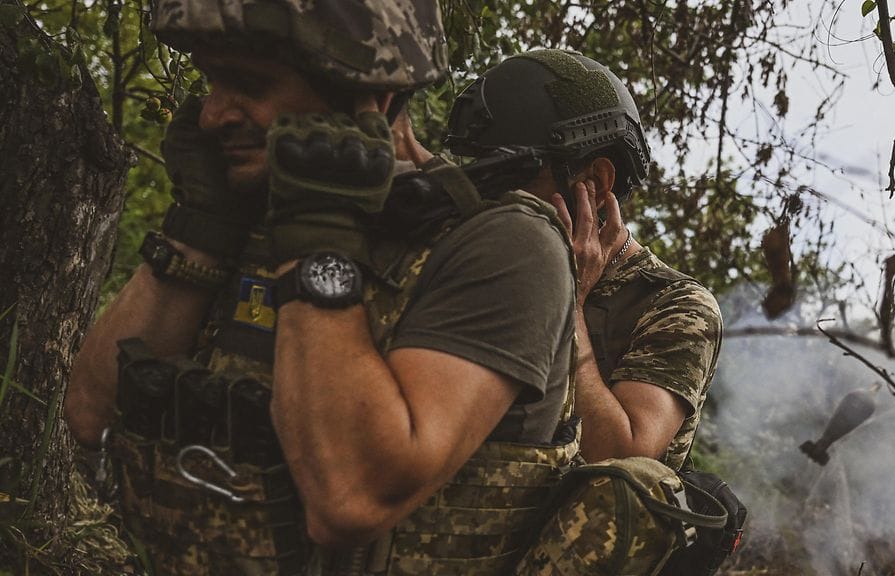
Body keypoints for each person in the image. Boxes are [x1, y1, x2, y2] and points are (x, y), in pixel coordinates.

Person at [64, 3, 577, 574]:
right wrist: (201, 228)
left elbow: (350, 500)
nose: (211, 116)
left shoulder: (504, 248)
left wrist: (318, 241)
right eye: (212, 82)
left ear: (372, 97)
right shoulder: (255, 208)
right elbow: (90, 415)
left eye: (249, 85)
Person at [446, 48, 723, 473]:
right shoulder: (490, 260)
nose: (491, 202)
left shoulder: (675, 305)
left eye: (510, 179)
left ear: (594, 182)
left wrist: (569, 300)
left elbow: (622, 452)